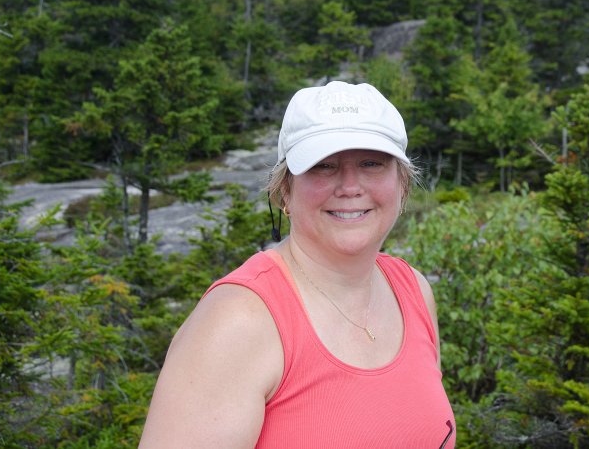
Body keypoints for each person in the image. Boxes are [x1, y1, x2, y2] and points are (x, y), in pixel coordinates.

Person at [139, 81, 455, 448]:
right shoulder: (237, 321)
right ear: (284, 191)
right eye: (324, 166)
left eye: (372, 163)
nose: (350, 186)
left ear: (402, 184)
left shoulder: (413, 291)